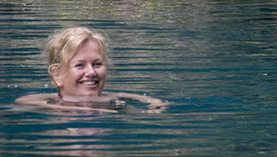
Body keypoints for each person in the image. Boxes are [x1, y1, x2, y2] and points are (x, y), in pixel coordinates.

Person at [15, 27, 165, 112]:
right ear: (57, 74)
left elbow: (130, 96)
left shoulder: (112, 100)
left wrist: (155, 104)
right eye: (80, 65)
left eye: (97, 64)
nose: (91, 72)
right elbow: (24, 101)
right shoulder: (49, 102)